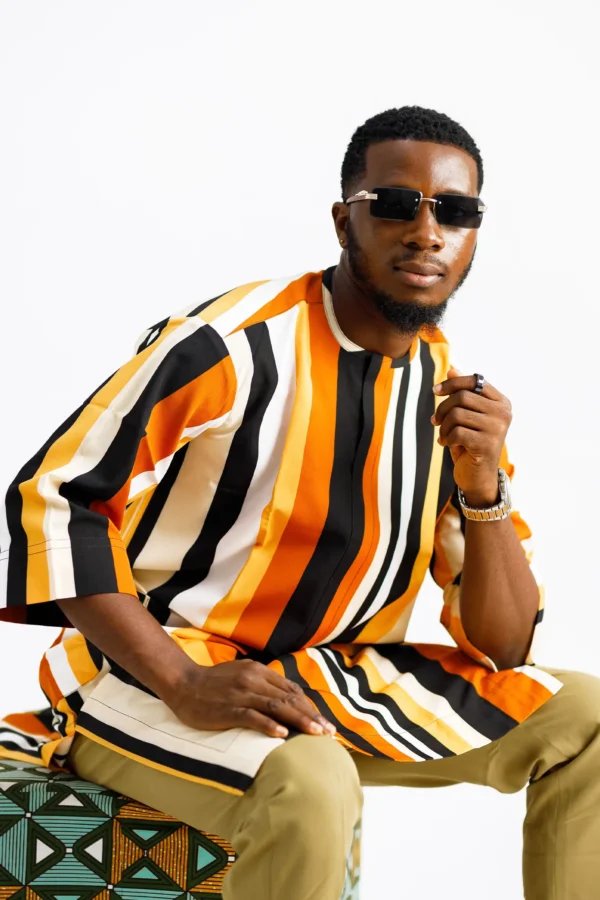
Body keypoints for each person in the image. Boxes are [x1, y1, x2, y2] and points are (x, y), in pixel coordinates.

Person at [0, 105, 598, 900]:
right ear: (345, 220)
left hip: (327, 678)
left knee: (589, 721)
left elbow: (504, 646)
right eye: (396, 204)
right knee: (313, 781)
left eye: (455, 211)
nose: (427, 232)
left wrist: (483, 483)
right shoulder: (231, 344)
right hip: (151, 669)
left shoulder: (450, 395)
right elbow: (57, 497)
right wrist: (180, 680)